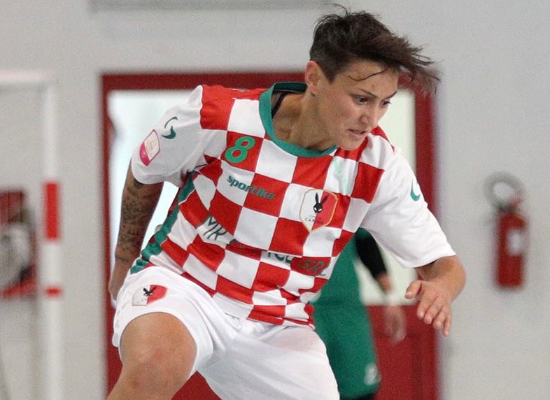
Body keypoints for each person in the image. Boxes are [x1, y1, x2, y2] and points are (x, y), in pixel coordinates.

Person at [107, 7, 466, 400]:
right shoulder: (218, 116)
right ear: (315, 78)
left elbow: (445, 266)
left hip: (278, 321)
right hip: (185, 285)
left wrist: (442, 288)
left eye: (384, 103)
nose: (371, 118)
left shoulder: (379, 166)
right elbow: (145, 170)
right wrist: (124, 260)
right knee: (154, 364)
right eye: (361, 99)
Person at [312, 229, 406, 400]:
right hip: (297, 310)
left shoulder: (349, 210)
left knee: (359, 387)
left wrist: (391, 297)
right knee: (301, 387)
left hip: (346, 308)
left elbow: (366, 243)